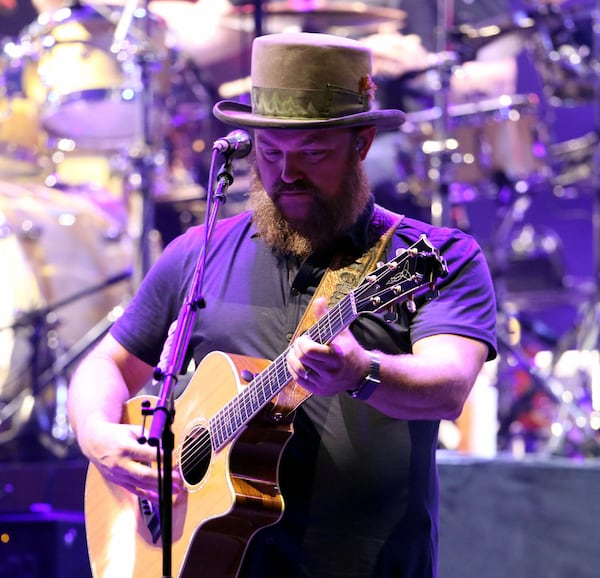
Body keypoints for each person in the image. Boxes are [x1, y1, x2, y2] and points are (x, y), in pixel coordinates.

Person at [67, 32, 497, 578]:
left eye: (313, 153)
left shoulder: (432, 256)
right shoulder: (197, 252)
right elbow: (106, 365)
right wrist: (98, 435)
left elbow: (449, 387)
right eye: (271, 153)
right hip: (205, 559)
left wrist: (360, 372)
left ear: (361, 144)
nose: (287, 173)